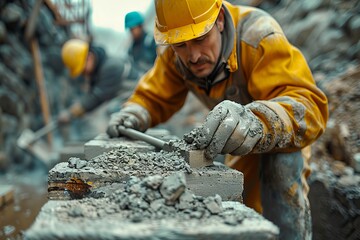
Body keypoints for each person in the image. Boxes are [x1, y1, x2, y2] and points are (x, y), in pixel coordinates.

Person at [106, 0, 328, 239]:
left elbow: (307, 107)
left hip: (280, 137)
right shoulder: (174, 55)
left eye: (201, 39)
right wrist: (135, 112)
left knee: (281, 176)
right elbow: (154, 95)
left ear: (219, 20)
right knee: (244, 209)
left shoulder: (259, 36)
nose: (193, 56)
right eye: (181, 45)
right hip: (236, 140)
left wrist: (258, 120)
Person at [59, 39, 140, 139]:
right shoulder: (99, 68)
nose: (84, 74)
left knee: (111, 114)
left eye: (83, 70)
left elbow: (96, 98)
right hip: (126, 100)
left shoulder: (111, 67)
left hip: (138, 101)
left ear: (89, 57)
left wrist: (71, 113)